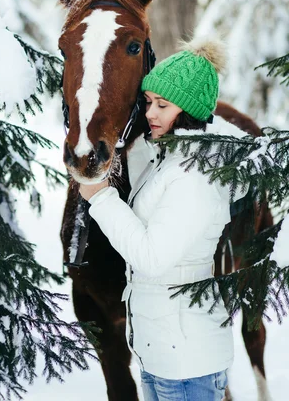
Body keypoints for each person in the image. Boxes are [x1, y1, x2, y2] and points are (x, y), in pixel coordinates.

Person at [79, 38, 248, 401]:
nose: (150, 114)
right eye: (148, 102)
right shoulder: (168, 162)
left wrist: (102, 198)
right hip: (164, 355)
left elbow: (152, 258)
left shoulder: (194, 177)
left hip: (187, 367)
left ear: (187, 110)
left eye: (162, 105)